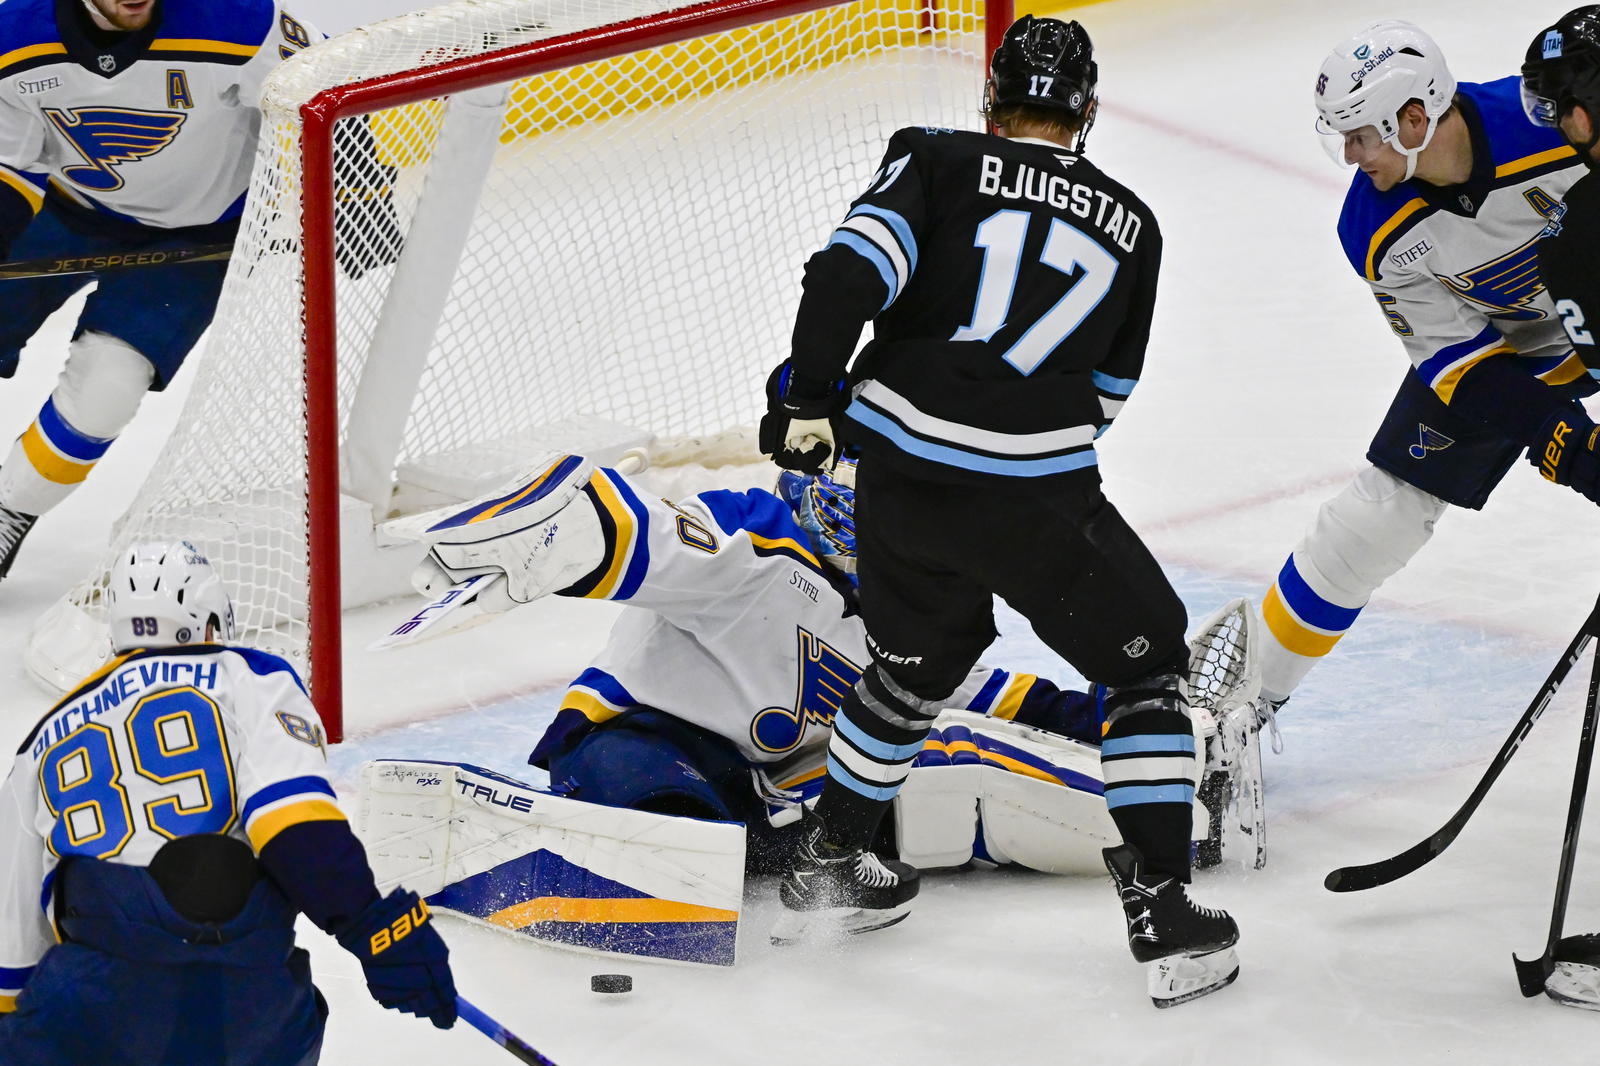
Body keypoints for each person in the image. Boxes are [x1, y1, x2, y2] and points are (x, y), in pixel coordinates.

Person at [757, 16, 1238, 1006]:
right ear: (1087, 111)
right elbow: (1104, 397)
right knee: (1145, 665)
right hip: (1033, 495)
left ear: (992, 100)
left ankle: (829, 864)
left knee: (912, 669)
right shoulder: (1133, 224)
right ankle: (1161, 904)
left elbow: (844, 275)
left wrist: (808, 399)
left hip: (900, 485)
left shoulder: (934, 161)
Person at [1250, 19, 1596, 715]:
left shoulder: (1552, 123)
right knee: (1379, 516)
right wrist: (1560, 436)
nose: (1350, 156)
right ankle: (1244, 701)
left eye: (1360, 135)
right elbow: (1461, 364)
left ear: (1413, 119)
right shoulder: (1371, 227)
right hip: (1521, 352)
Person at [0, 541, 456, 1064]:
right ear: (211, 618)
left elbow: (10, 951)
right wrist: (375, 928)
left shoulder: (37, 744)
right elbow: (295, 829)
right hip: (241, 1005)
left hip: (87, 1010)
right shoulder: (250, 677)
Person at [0, 0, 395, 584]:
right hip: (66, 209)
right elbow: (9, 164)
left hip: (204, 233)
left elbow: (324, 87)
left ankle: (11, 508)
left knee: (107, 391)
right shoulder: (13, 38)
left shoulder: (236, 19)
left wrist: (359, 192)